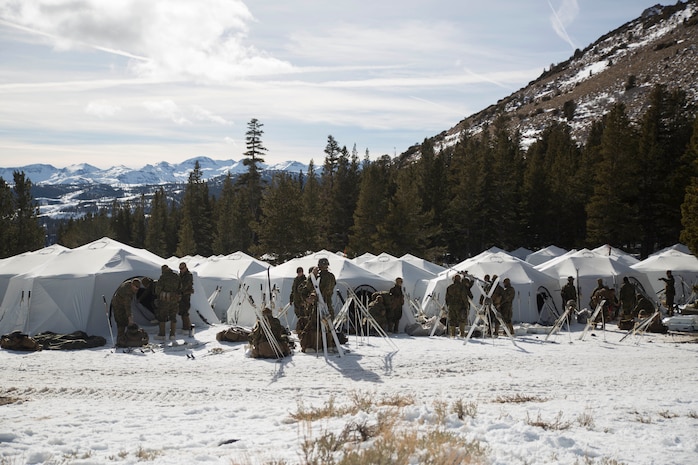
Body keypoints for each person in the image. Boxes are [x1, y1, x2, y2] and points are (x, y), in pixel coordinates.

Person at [155, 264, 181, 340]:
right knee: (173, 316)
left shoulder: (163, 277)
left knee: (162, 316)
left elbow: (158, 290)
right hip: (174, 299)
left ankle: (162, 334)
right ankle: (172, 334)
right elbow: (180, 287)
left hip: (165, 299)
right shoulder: (176, 276)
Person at [112, 278, 141, 343]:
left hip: (120, 303)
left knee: (125, 321)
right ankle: (120, 341)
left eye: (138, 287)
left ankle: (124, 338)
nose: (137, 289)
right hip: (118, 306)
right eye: (136, 287)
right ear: (132, 285)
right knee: (121, 322)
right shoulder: (127, 293)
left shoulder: (129, 284)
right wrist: (130, 318)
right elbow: (127, 306)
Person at [178, 262, 194, 333]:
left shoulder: (188, 275)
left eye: (182, 268)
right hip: (181, 294)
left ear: (185, 267)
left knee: (185, 311)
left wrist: (179, 290)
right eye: (180, 268)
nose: (181, 270)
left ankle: (186, 328)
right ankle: (186, 327)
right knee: (182, 311)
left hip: (185, 295)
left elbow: (186, 285)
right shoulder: (180, 275)